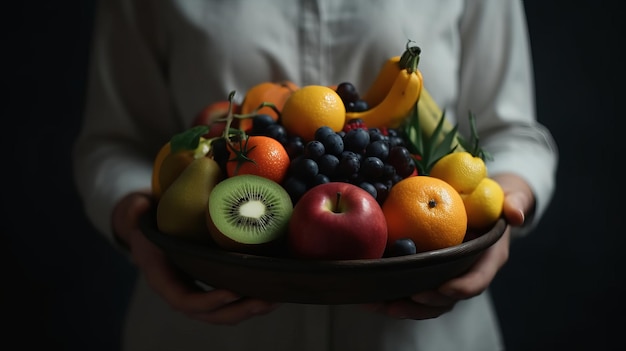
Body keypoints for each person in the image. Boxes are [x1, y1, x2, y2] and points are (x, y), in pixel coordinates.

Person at [73, 0, 558, 350]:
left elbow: (514, 132)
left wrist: (513, 196)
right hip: (205, 329)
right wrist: (134, 220)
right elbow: (114, 142)